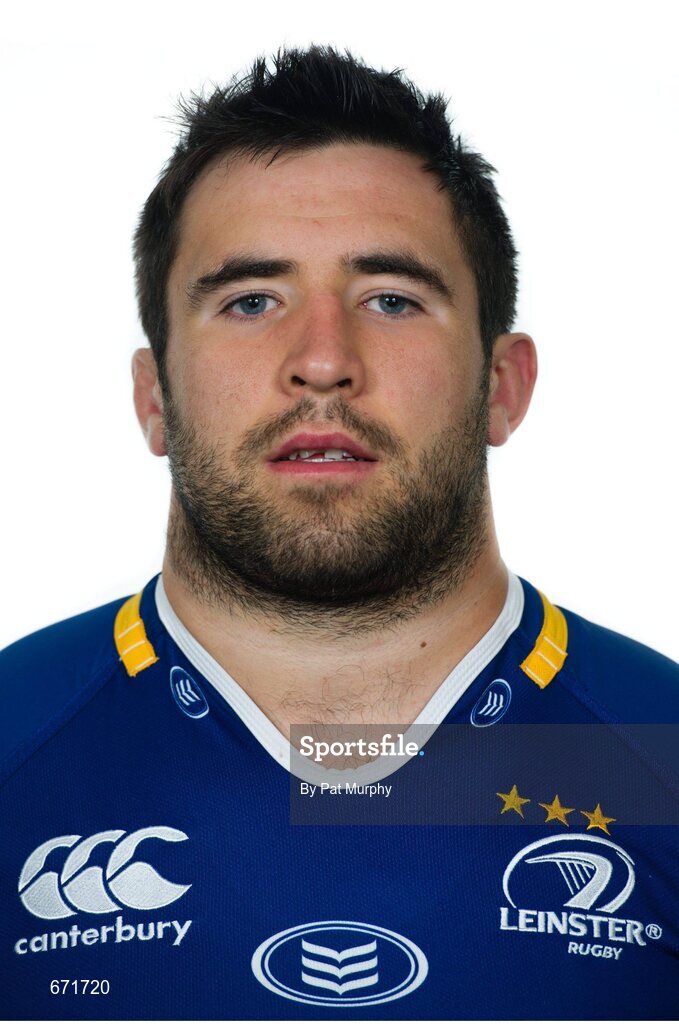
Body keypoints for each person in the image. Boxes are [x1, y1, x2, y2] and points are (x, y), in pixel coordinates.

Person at [1, 46, 677, 1021]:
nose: (322, 361)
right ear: (153, 397)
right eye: (251, 301)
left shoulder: (662, 755)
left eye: (390, 299)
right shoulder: (12, 749)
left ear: (504, 382)